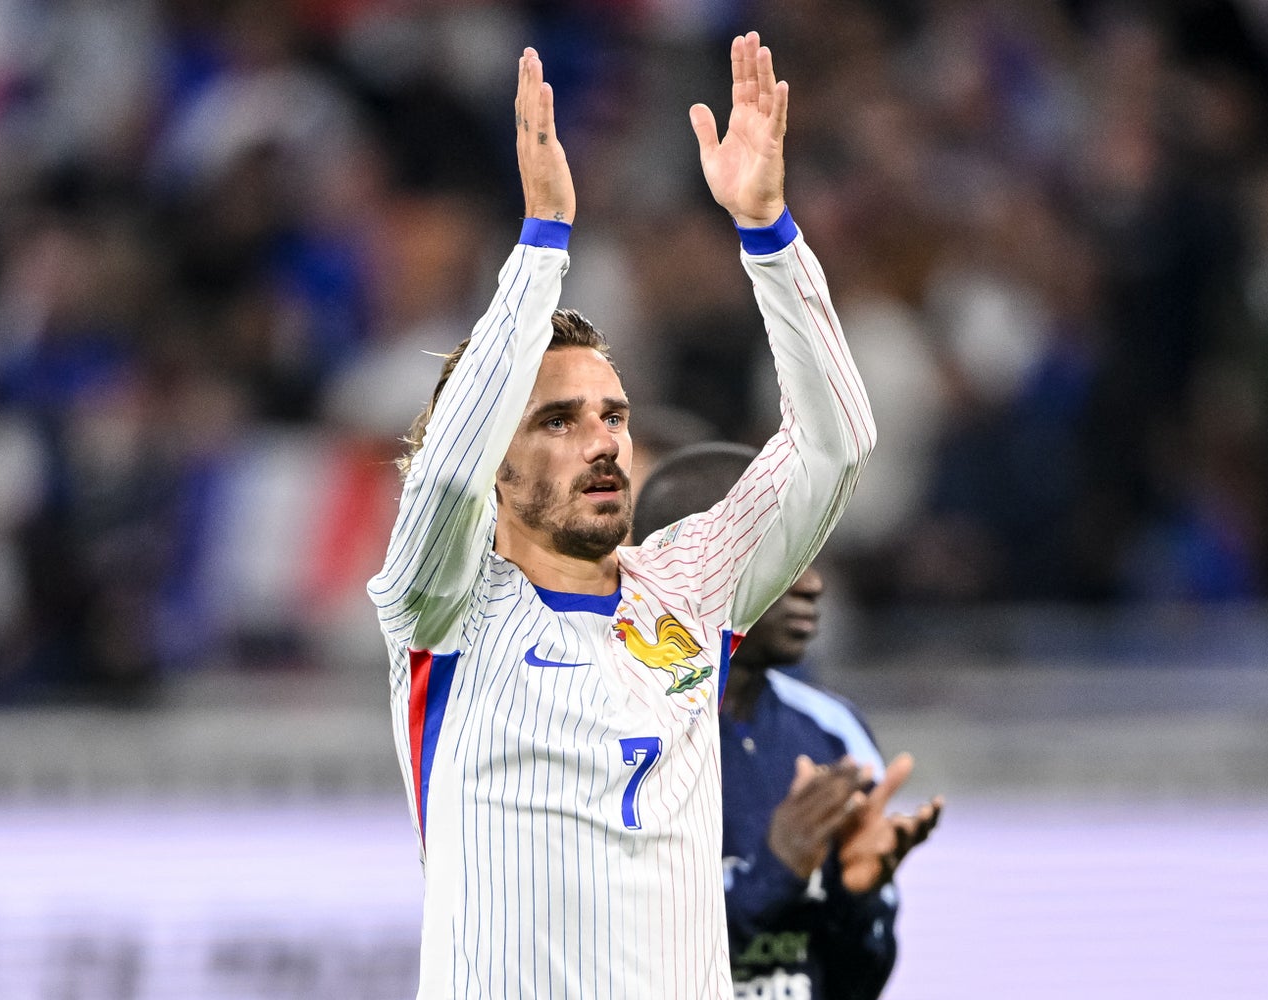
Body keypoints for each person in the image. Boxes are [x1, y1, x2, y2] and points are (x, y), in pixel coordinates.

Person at [367, 36, 874, 997]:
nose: (603, 440)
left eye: (615, 417)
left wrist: (768, 233)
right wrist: (543, 244)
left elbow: (835, 445)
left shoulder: (690, 587)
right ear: (497, 464)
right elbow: (439, 483)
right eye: (557, 421)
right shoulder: (444, 609)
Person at [632, 442, 943, 1000]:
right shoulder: (605, 728)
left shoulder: (832, 729)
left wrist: (857, 898)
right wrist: (777, 868)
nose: (813, 582)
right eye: (783, 554)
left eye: (814, 553)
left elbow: (855, 981)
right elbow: (620, 952)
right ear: (691, 566)